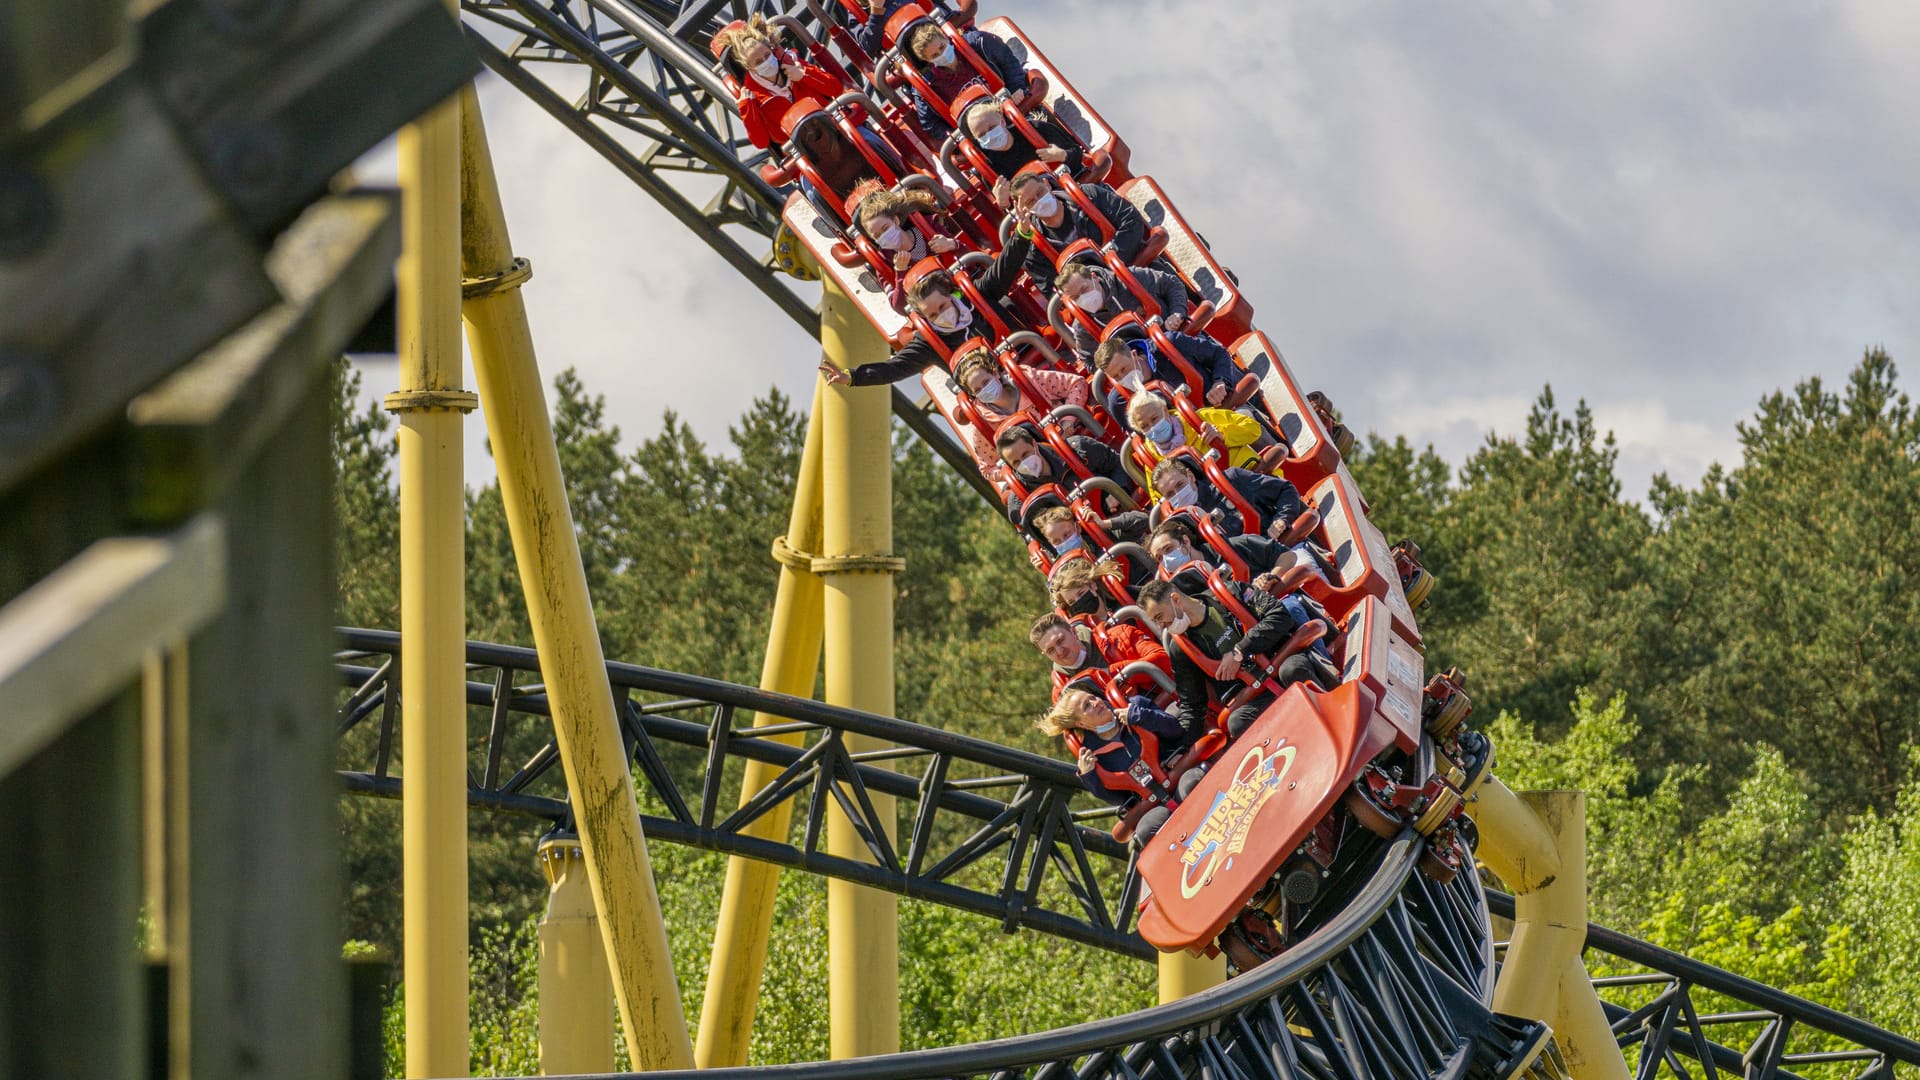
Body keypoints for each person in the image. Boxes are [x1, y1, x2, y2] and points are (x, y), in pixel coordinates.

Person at [819, 209, 1036, 387]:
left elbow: (1005, 266)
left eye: (942, 306)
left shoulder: (974, 296)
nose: (942, 315)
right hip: (996, 391)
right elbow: (894, 368)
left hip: (1026, 360)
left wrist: (1022, 232)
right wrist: (853, 377)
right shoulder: (929, 342)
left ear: (951, 295)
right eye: (933, 314)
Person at [1137, 578, 1334, 739]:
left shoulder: (1229, 593)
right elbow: (1193, 704)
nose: (1161, 625)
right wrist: (1183, 747)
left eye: (1160, 616)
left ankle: (1333, 718)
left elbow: (1279, 616)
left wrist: (1239, 651)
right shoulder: (1180, 648)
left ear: (1176, 600)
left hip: (1281, 661)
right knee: (1237, 722)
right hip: (1254, 693)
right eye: (1156, 621)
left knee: (1292, 671)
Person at [1036, 688, 1203, 844]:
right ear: (1082, 724)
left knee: (1192, 783)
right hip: (1154, 801)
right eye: (1087, 706)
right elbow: (1119, 799)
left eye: (1093, 698)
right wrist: (1089, 776)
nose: (1096, 703)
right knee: (1145, 832)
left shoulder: (1134, 705)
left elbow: (1175, 729)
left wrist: (1138, 716)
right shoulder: (1094, 755)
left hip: (1179, 772)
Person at [951, 348, 1095, 472]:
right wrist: (1017, 468)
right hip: (1042, 472)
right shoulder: (983, 422)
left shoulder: (1027, 379)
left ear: (995, 373)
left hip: (1068, 441)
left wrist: (1067, 421)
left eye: (986, 382)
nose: (985, 390)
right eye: (978, 390)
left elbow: (1076, 383)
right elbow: (987, 468)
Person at [715, 17, 846, 151]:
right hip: (807, 153)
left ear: (771, 50)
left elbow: (835, 88)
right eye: (759, 62)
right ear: (749, 67)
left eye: (767, 55)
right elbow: (761, 142)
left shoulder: (791, 62)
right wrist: (747, 108)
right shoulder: (752, 96)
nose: (766, 62)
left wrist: (804, 76)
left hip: (836, 129)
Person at [901, 19, 1037, 141]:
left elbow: (1011, 66)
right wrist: (965, 135)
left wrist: (1016, 90)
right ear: (927, 60)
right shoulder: (927, 87)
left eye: (942, 47)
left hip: (1013, 108)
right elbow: (931, 125)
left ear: (945, 38)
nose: (942, 55)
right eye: (935, 55)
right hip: (983, 135)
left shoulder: (979, 43)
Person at [1009, 169, 1150, 278]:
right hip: (1100, 296)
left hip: (1135, 265)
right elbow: (1053, 289)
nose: (1039, 200)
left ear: (1047, 184)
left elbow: (1131, 219)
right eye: (1031, 201)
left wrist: (1113, 264)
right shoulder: (1035, 249)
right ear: (1024, 209)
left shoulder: (1087, 195)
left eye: (1040, 192)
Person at [994, 425, 1133, 530]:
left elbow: (1117, 463)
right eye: (1016, 462)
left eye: (1025, 454)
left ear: (1034, 445)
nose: (1025, 463)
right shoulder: (1019, 501)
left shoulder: (1077, 448)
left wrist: (1118, 490)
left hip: (1117, 514)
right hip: (1085, 541)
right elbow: (1033, 537)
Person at [1051, 260, 1191, 364]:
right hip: (1150, 369)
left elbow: (1172, 284)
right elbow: (1090, 361)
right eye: (1076, 297)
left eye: (1084, 289)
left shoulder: (1129, 278)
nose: (1083, 298)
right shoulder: (1083, 328)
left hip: (1177, 337)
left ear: (1094, 277)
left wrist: (1177, 312)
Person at [850, 183, 960, 310]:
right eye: (877, 235)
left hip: (959, 288)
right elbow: (899, 307)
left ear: (895, 221)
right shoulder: (885, 260)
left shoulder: (926, 227)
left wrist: (952, 244)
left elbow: (968, 255)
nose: (884, 236)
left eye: (885, 228)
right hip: (937, 312)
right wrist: (900, 272)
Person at [956, 98, 1083, 206]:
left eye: (992, 128)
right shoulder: (991, 170)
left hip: (1071, 187)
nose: (990, 135)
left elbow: (1077, 154)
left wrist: (1062, 155)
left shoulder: (1034, 129)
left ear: (1002, 121)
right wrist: (1003, 202)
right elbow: (1013, 213)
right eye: (982, 135)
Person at [1092, 333, 1253, 418]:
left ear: (1134, 355)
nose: (1124, 377)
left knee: (1247, 419)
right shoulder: (1119, 402)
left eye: (1124, 369)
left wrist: (1220, 382)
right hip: (1195, 447)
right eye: (1117, 376)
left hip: (1225, 409)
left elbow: (1218, 354)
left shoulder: (1169, 344)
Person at [1150, 456, 1308, 538]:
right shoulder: (1182, 528)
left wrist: (1281, 519)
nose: (1178, 494)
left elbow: (1285, 490)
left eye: (1180, 485)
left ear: (1190, 476)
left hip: (1281, 544)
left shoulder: (1230, 480)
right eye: (1170, 494)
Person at [1028, 610, 1170, 700]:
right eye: (1051, 651)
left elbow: (1164, 660)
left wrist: (1110, 673)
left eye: (1061, 640)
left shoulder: (1118, 636)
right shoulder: (1061, 691)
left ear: (1073, 632)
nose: (1060, 651)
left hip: (1164, 700)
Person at [1127, 392, 1265, 475]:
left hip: (1253, 472)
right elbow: (1159, 498)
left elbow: (1253, 428)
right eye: (1145, 426)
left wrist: (1223, 434)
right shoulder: (1152, 458)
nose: (1153, 427)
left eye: (1154, 419)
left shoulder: (1198, 418)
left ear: (1164, 410)